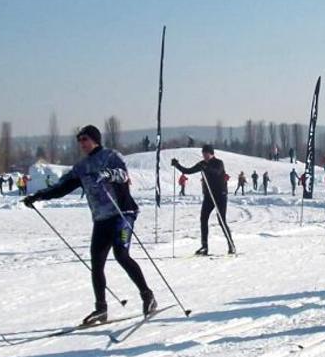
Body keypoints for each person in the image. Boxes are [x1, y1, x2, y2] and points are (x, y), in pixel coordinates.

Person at [22, 125, 156, 324]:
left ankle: (148, 296)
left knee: (121, 255)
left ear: (95, 139)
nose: (82, 144)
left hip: (122, 214)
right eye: (80, 140)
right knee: (97, 263)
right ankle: (101, 309)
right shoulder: (81, 167)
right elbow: (62, 187)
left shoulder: (111, 156)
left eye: (85, 139)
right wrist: (38, 196)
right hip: (101, 219)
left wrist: (108, 174)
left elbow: (123, 175)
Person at [171, 144, 235, 255]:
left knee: (221, 220)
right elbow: (188, 170)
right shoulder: (202, 164)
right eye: (203, 154)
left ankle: (231, 245)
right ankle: (204, 246)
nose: (204, 156)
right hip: (209, 195)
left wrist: (206, 168)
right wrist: (177, 165)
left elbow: (217, 172)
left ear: (211, 153)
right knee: (203, 218)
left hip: (220, 195)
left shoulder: (219, 163)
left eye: (206, 154)